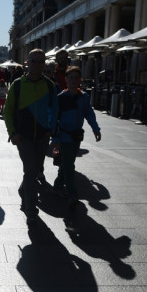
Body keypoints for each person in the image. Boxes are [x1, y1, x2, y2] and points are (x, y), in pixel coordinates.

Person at [2, 48, 58, 224]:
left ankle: (24, 190)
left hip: (42, 136)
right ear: (27, 63)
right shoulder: (18, 85)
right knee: (30, 170)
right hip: (23, 136)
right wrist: (12, 133)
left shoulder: (49, 86)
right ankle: (30, 207)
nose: (37, 65)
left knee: (35, 169)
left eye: (41, 61)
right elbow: (8, 111)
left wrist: (50, 130)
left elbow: (54, 110)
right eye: (33, 61)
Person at [51, 66, 101, 207]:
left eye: (76, 77)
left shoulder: (83, 97)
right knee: (69, 165)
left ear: (80, 80)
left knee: (67, 163)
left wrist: (96, 129)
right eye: (70, 77)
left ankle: (57, 186)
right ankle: (72, 194)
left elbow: (89, 114)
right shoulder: (61, 98)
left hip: (76, 137)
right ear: (66, 79)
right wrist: (54, 138)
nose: (73, 80)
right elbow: (54, 119)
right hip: (64, 136)